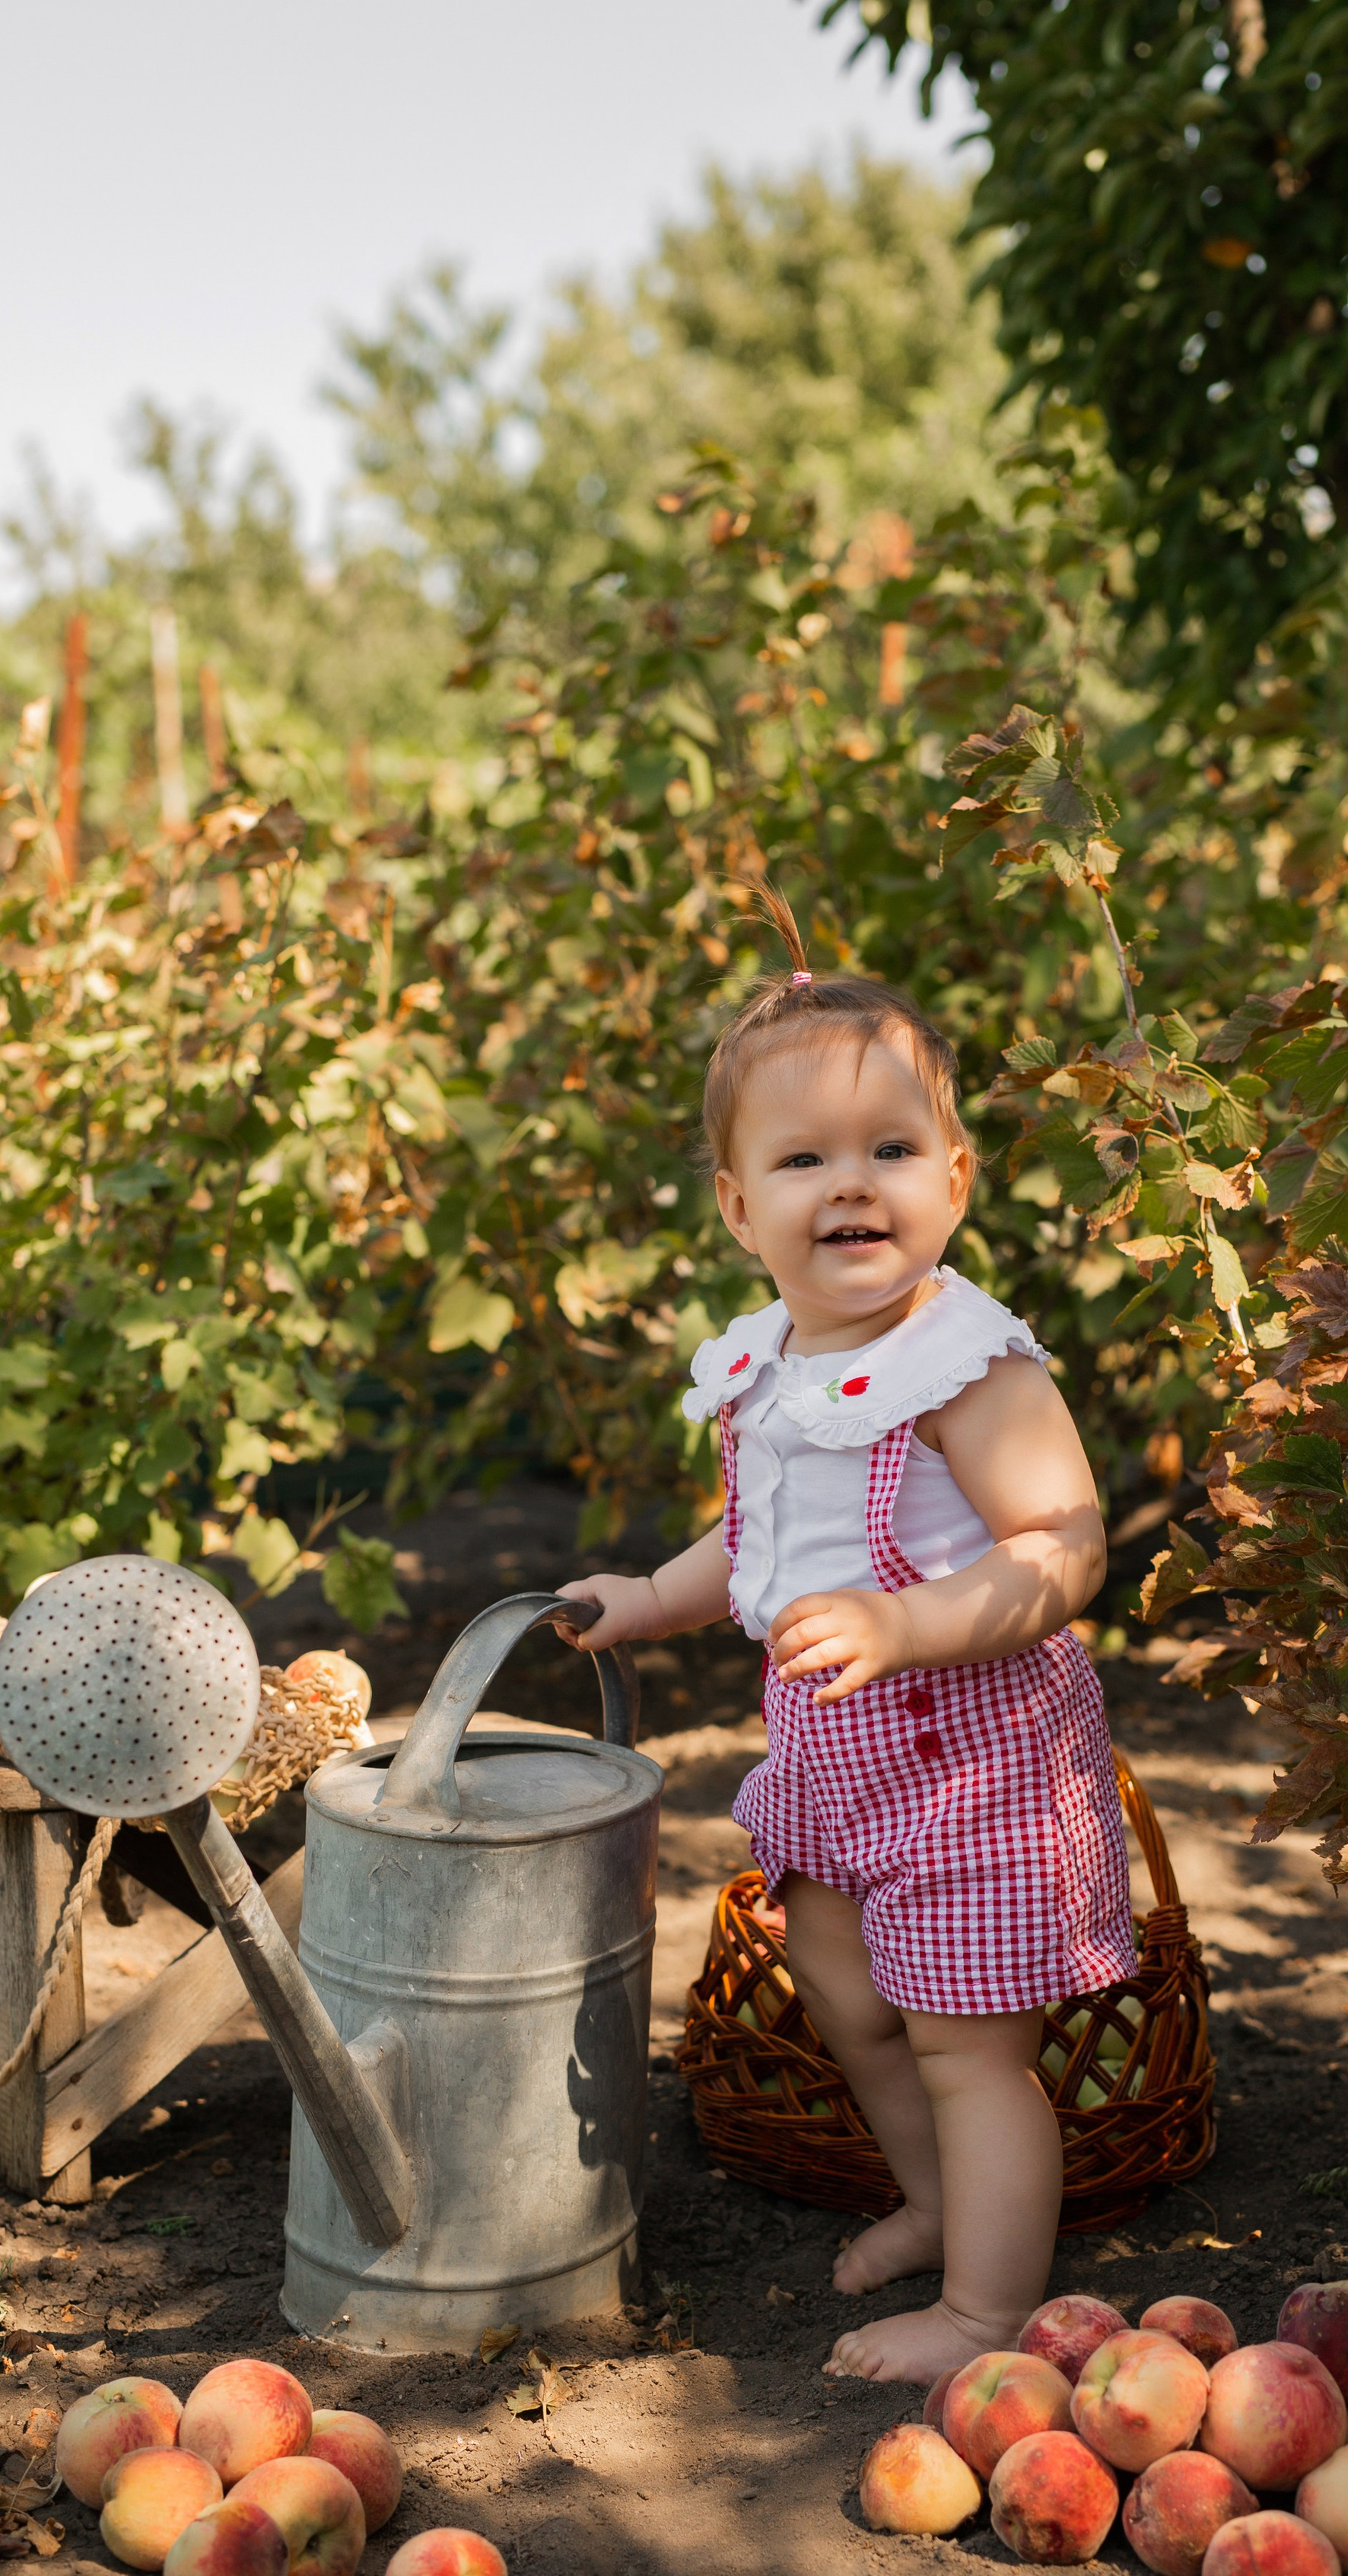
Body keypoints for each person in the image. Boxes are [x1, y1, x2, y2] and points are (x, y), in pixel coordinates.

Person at [555, 892, 1132, 2384]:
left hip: (968, 1760)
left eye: (886, 1150)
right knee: (848, 1993)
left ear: (951, 1175)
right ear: (742, 1209)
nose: (847, 1186)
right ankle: (938, 2204)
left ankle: (988, 2315)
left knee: (961, 2040)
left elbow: (1061, 1550)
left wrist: (906, 1619)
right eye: (802, 1159)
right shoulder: (766, 1366)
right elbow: (748, 1541)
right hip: (835, 1759)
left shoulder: (963, 1365)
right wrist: (651, 1600)